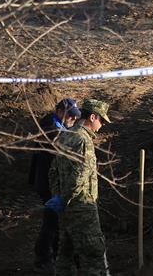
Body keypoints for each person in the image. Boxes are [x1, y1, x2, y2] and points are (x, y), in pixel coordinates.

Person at [47, 99, 112, 276]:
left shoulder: (65, 135)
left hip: (65, 208)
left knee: (65, 255)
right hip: (83, 207)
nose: (102, 125)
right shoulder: (84, 140)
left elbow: (53, 171)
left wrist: (58, 196)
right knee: (94, 254)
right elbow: (79, 177)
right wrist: (65, 197)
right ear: (92, 117)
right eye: (102, 120)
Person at [29, 99, 80, 273]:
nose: (73, 119)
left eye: (75, 117)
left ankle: (54, 254)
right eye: (71, 116)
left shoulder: (58, 125)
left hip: (51, 181)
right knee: (52, 222)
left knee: (54, 222)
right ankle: (43, 258)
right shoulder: (52, 129)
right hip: (48, 183)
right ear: (59, 111)